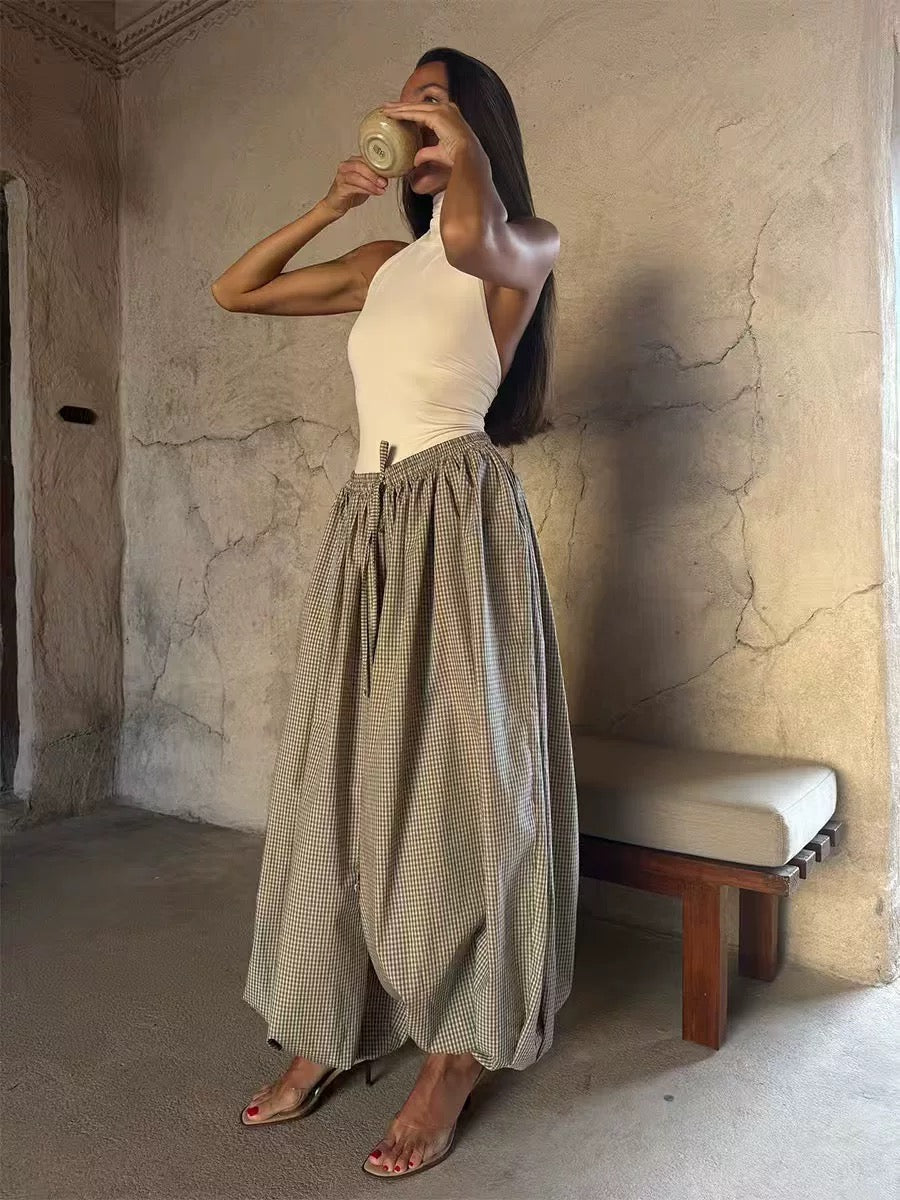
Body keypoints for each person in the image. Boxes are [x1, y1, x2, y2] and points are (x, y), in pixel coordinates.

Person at [211, 46, 579, 1180]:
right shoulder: (384, 263)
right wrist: (333, 204)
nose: (413, 121)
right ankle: (330, 1021)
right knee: (340, 778)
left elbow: (471, 239)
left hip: (455, 518)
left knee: (465, 789)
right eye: (407, 105)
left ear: (473, 127)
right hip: (368, 524)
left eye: (434, 104)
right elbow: (238, 290)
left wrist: (452, 147)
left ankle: (455, 1053)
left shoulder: (522, 244)